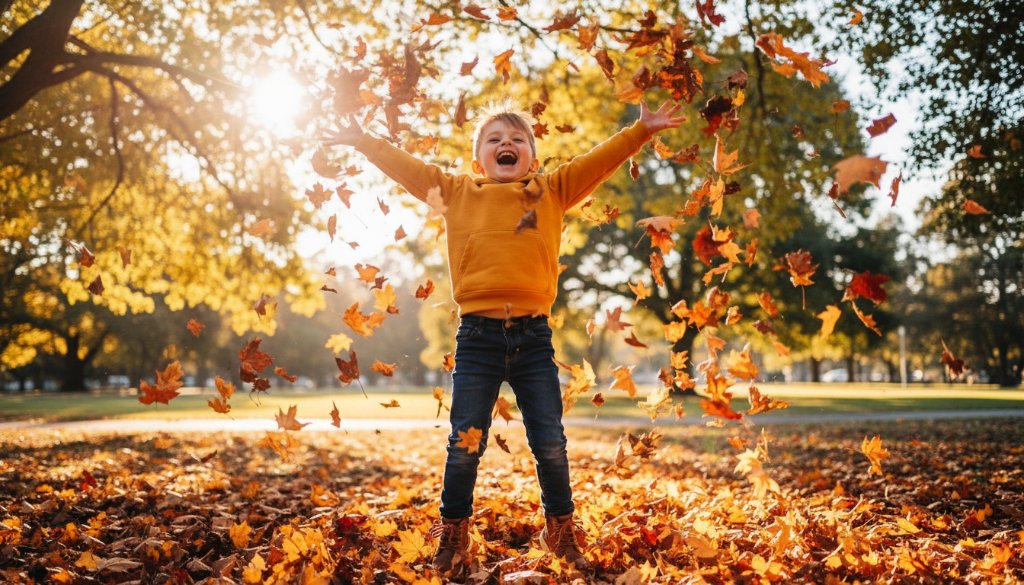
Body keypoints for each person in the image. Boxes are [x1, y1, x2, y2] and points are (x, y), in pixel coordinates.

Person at [323, 99, 684, 576]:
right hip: (477, 338)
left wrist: (639, 131)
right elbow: (409, 169)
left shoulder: (552, 190)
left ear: (533, 158)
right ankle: (453, 534)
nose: (506, 144)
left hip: (534, 339)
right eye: (494, 140)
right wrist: (366, 142)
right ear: (478, 161)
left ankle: (559, 529)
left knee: (550, 442)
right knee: (463, 444)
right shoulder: (456, 192)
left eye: (517, 139)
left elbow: (597, 161)